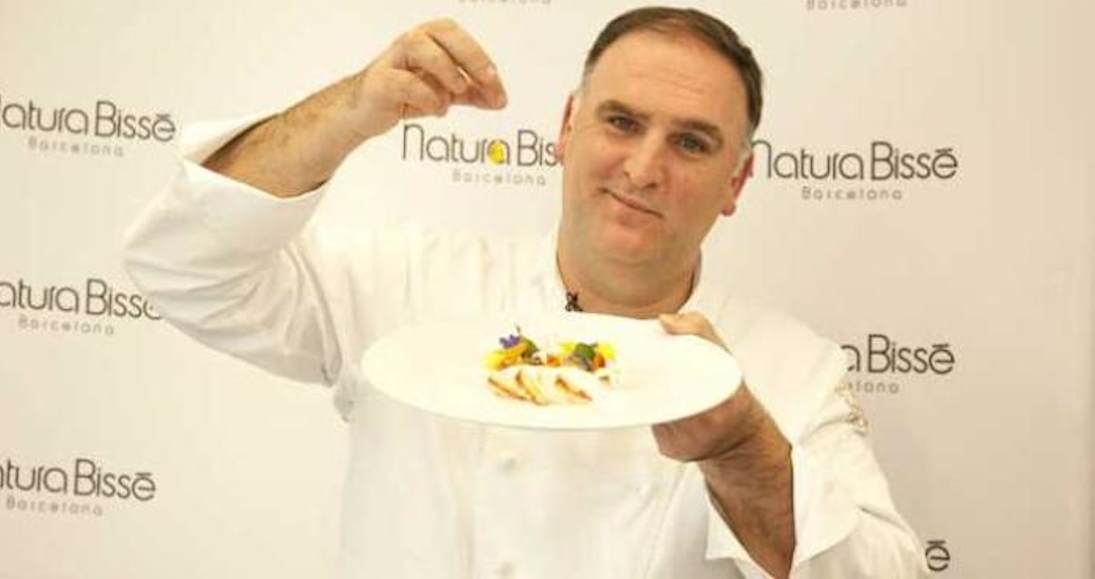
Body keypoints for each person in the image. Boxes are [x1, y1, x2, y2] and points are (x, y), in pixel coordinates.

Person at [123, 6, 926, 579]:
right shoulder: (410, 286)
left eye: (690, 142)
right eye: (620, 122)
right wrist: (351, 109)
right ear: (567, 129)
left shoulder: (788, 368)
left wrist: (741, 449)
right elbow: (183, 266)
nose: (643, 167)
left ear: (736, 181)